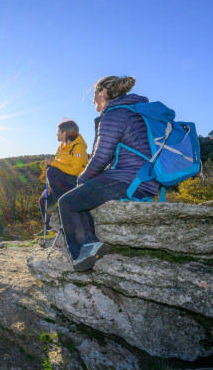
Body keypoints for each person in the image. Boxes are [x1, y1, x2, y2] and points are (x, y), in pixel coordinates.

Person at [58, 76, 160, 271]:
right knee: (82, 196)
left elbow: (101, 156)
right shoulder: (131, 110)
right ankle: (89, 243)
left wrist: (82, 179)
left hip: (128, 179)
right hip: (142, 178)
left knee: (67, 202)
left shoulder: (114, 114)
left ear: (104, 93)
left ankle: (83, 252)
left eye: (95, 94)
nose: (93, 99)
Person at [37, 119, 88, 233]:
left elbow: (74, 170)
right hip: (62, 185)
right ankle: (48, 229)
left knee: (51, 170)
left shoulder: (78, 147)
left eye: (59, 131)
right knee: (43, 200)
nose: (57, 134)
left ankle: (57, 202)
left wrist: (53, 163)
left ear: (65, 132)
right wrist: (49, 188)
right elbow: (58, 170)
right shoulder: (61, 148)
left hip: (76, 183)